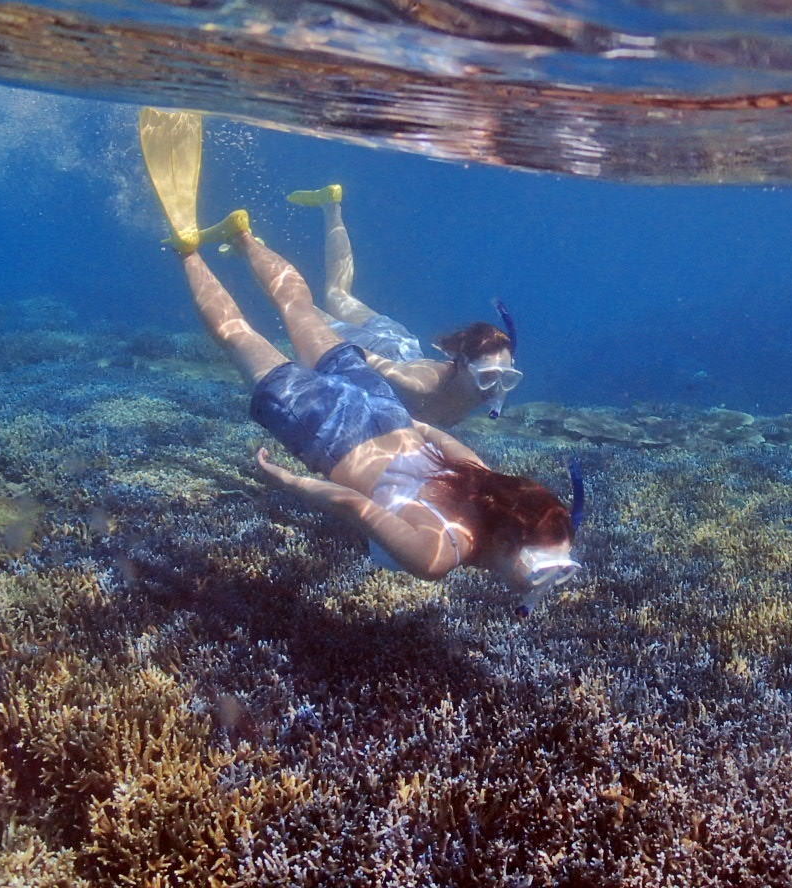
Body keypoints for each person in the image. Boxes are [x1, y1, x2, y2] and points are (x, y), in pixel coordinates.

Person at [138, 110, 581, 614]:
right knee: (238, 335)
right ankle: (189, 250)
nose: (552, 584)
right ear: (508, 545)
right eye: (549, 570)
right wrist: (288, 481)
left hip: (382, 408)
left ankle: (244, 239)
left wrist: (404, 423)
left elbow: (441, 438)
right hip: (327, 432)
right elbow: (355, 504)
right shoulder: (438, 556)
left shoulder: (485, 483)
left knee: (298, 308)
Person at [285, 183, 523, 428]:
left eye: (507, 378)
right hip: (378, 347)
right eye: (487, 377)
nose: (497, 387)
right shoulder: (418, 384)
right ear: (462, 365)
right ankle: (251, 247)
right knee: (298, 310)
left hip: (399, 338)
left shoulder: (479, 386)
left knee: (337, 294)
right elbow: (357, 354)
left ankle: (330, 205)